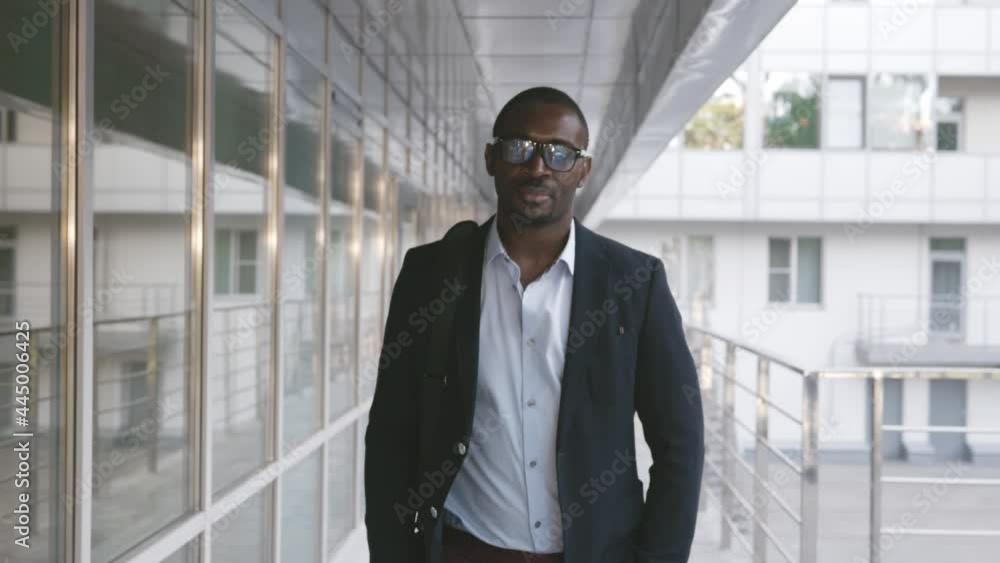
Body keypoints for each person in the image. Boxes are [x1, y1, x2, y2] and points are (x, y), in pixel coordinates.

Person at [365, 86, 704, 563]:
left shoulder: (634, 283)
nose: (538, 167)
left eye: (560, 153)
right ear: (491, 159)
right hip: (467, 551)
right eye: (519, 148)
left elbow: (679, 444)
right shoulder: (431, 275)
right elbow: (390, 435)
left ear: (583, 170)